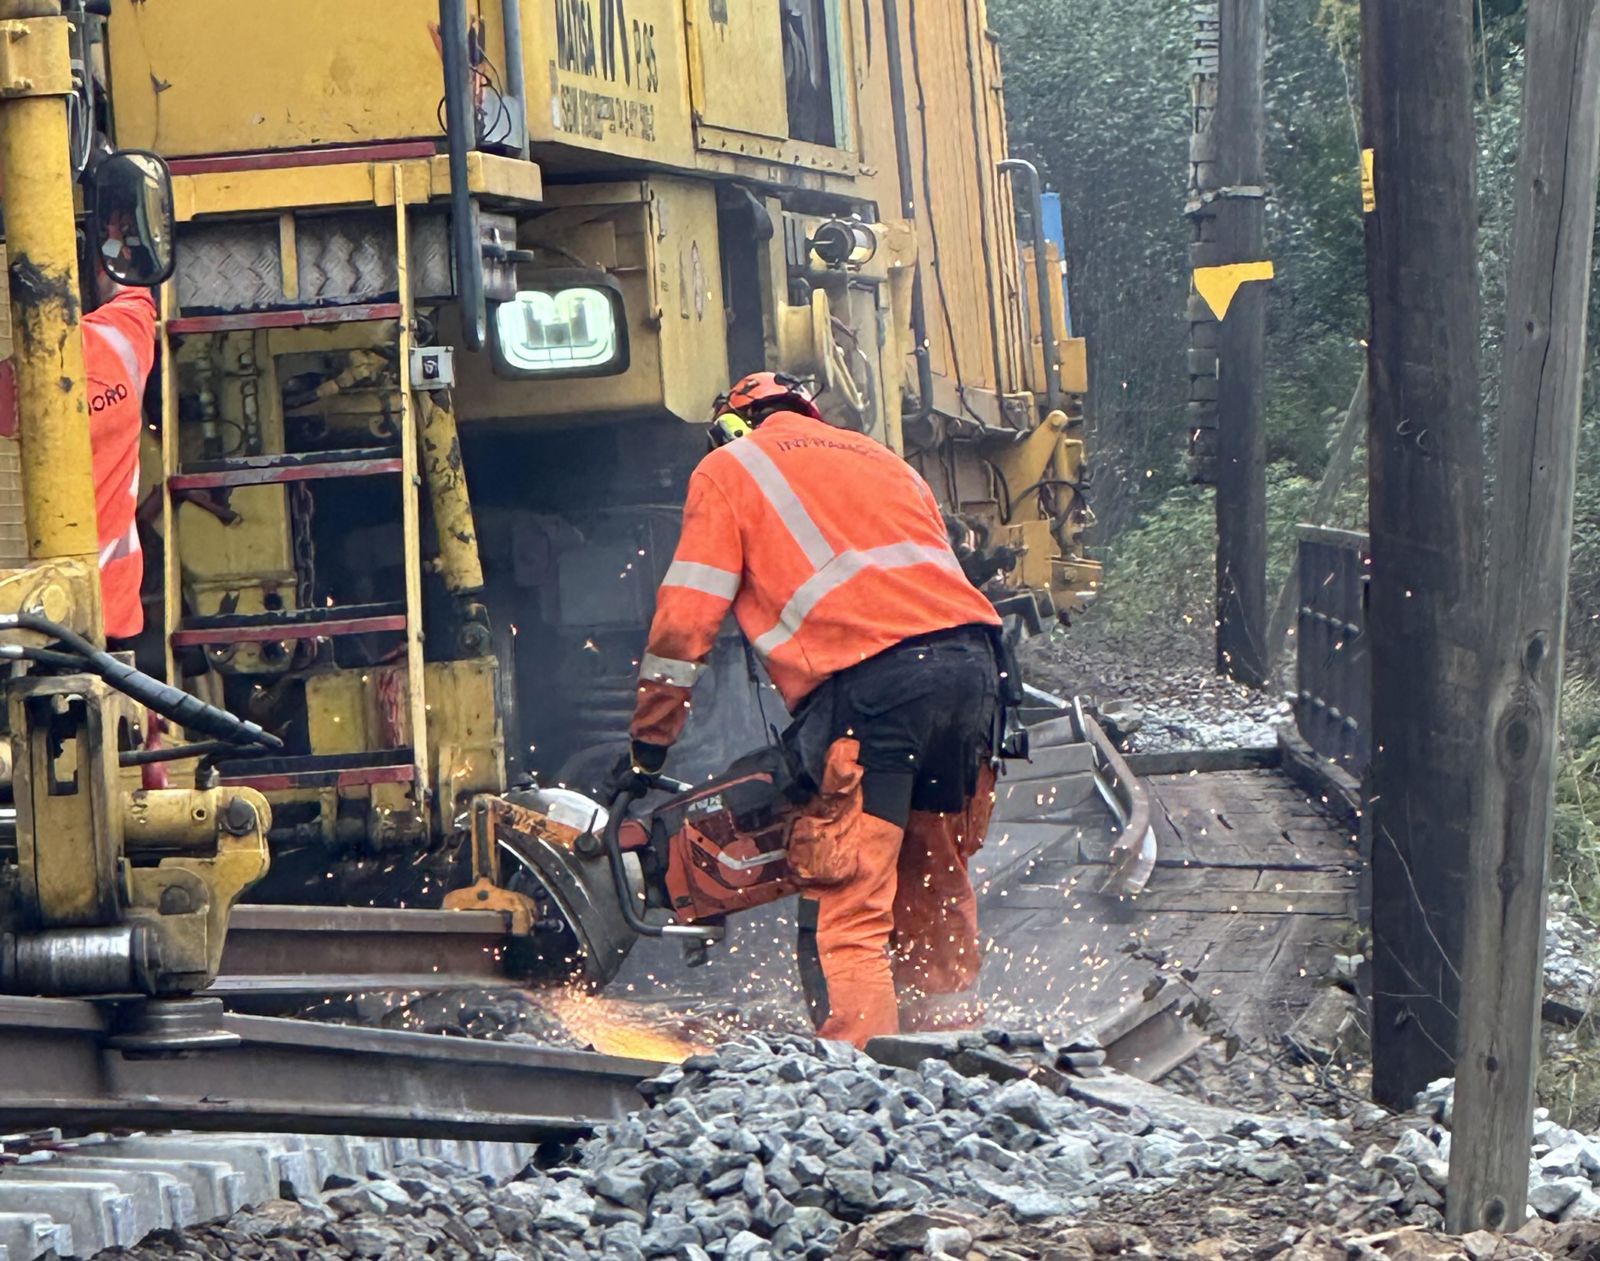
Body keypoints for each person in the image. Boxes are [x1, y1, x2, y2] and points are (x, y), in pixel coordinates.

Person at [626, 371, 1013, 1048]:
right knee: (935, 874)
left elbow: (684, 623)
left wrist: (649, 743)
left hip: (875, 686)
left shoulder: (730, 466)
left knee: (852, 886)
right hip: (976, 671)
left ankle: (854, 1073)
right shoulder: (884, 461)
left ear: (734, 423)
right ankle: (953, 1052)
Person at [84, 266, 158, 643]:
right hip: (111, 614)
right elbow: (135, 295)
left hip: (34, 611)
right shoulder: (123, 340)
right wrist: (117, 250)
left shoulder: (21, 374)